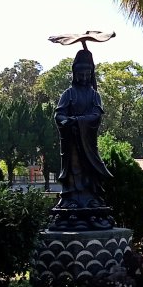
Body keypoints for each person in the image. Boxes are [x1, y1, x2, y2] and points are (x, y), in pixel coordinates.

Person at [51, 48, 113, 229]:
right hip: (71, 140)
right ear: (74, 74)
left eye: (87, 74)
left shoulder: (95, 95)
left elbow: (96, 115)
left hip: (87, 139)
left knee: (90, 167)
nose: (84, 77)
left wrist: (78, 121)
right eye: (80, 74)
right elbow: (59, 114)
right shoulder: (68, 94)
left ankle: (91, 198)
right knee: (74, 166)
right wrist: (65, 122)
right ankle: (71, 197)